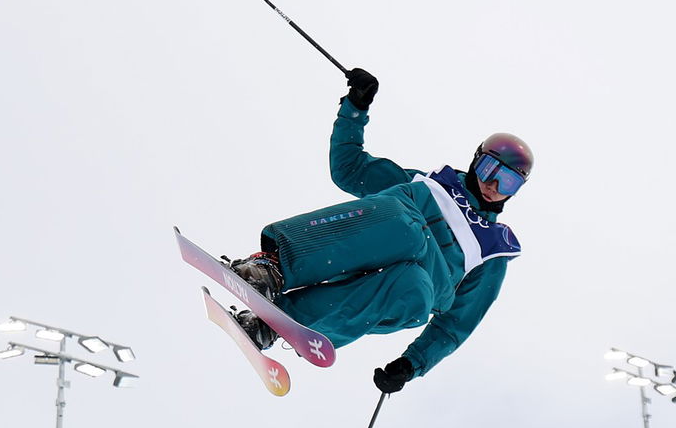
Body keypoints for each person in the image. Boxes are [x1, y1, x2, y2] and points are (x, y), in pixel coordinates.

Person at [224, 67, 532, 395]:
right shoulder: (427, 185)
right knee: (406, 228)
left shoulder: (494, 251)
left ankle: (278, 324)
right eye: (489, 169)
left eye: (508, 181)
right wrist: (355, 108)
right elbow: (349, 170)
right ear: (476, 160)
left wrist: (411, 364)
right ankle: (273, 268)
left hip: (421, 282)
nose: (493, 184)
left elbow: (456, 324)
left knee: (414, 291)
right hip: (388, 230)